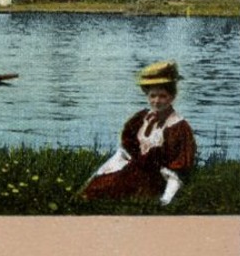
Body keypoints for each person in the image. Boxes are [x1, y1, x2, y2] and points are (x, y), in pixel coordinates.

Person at [81, 61, 197, 205]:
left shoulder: (178, 128)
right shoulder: (141, 119)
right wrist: (97, 174)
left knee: (117, 193)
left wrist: (166, 200)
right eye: (152, 96)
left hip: (158, 179)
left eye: (163, 96)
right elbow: (123, 154)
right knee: (96, 189)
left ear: (172, 97)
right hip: (132, 171)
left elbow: (177, 172)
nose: (156, 101)